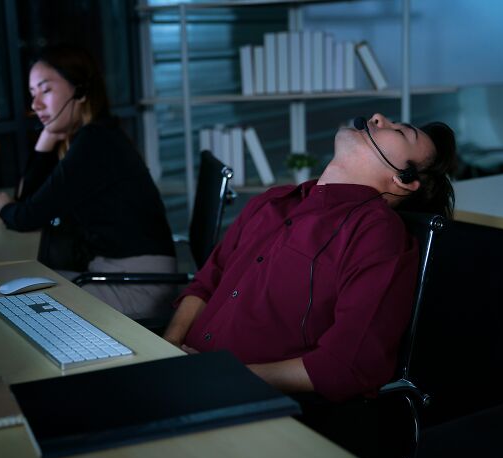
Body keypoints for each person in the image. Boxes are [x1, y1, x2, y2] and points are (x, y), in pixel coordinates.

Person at [163, 113, 457, 402]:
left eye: (402, 131)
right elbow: (206, 282)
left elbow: (347, 364)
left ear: (402, 180)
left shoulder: (378, 236)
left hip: (250, 401)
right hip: (183, 375)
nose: (378, 117)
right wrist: (168, 347)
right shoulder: (273, 201)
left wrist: (224, 376)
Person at [0, 46, 176, 319]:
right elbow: (27, 200)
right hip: (113, 272)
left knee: (13, 302)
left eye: (46, 90)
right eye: (33, 94)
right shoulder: (91, 137)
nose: (35, 104)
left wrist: (3, 207)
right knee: (11, 287)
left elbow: (25, 216)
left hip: (137, 284)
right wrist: (48, 136)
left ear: (80, 90)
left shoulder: (94, 144)